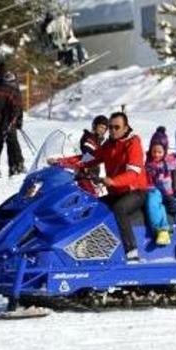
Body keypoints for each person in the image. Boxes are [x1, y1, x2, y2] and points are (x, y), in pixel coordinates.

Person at [58, 112, 148, 262]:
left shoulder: (132, 144)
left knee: (119, 208)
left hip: (135, 191)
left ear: (126, 128)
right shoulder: (108, 145)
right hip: (116, 192)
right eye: (110, 127)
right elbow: (89, 158)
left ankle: (131, 252)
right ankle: (89, 250)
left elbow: (133, 173)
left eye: (117, 127)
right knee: (93, 206)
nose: (112, 131)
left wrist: (113, 181)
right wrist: (63, 162)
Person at [145, 127, 176, 246]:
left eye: (159, 152)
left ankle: (162, 229)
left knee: (153, 201)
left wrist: (175, 192)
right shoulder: (148, 163)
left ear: (164, 151)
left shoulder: (169, 162)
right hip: (155, 190)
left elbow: (174, 169)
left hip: (167, 192)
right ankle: (163, 228)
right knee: (154, 199)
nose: (156, 154)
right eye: (154, 151)